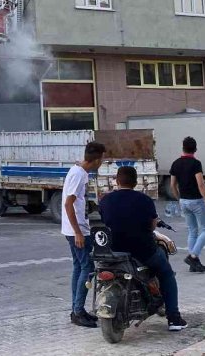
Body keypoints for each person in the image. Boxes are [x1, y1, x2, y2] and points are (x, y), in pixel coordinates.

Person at [100, 165, 187, 331]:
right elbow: (153, 223)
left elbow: (106, 221)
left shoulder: (105, 200)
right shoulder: (144, 200)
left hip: (115, 251)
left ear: (117, 181)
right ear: (135, 182)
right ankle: (174, 318)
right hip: (143, 250)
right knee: (166, 273)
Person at [62, 141, 105, 328]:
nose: (102, 162)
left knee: (79, 267)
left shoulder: (79, 171)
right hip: (77, 230)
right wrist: (78, 232)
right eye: (102, 158)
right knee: (87, 268)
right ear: (96, 159)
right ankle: (78, 311)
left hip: (77, 228)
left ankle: (77, 310)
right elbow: (68, 204)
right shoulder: (78, 175)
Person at [169, 137, 205, 272]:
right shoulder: (195, 163)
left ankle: (194, 264)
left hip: (184, 201)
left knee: (192, 231)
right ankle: (193, 256)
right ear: (195, 149)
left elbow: (172, 185)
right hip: (196, 201)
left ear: (182, 147)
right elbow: (201, 184)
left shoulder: (175, 163)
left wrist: (179, 198)